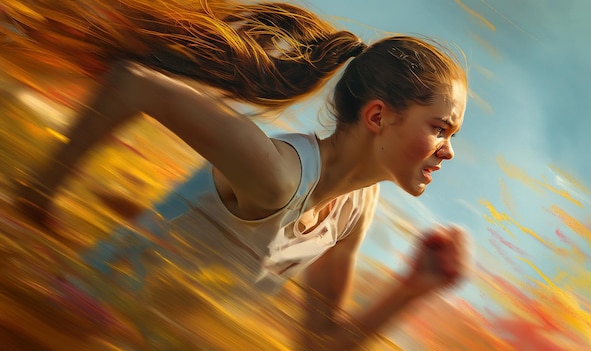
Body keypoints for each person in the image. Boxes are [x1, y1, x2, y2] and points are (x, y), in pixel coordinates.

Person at [5, 1, 469, 350]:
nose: (449, 151)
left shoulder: (353, 209)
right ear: (377, 116)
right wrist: (40, 193)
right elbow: (132, 82)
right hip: (74, 322)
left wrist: (413, 288)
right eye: (440, 128)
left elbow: (317, 342)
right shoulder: (279, 176)